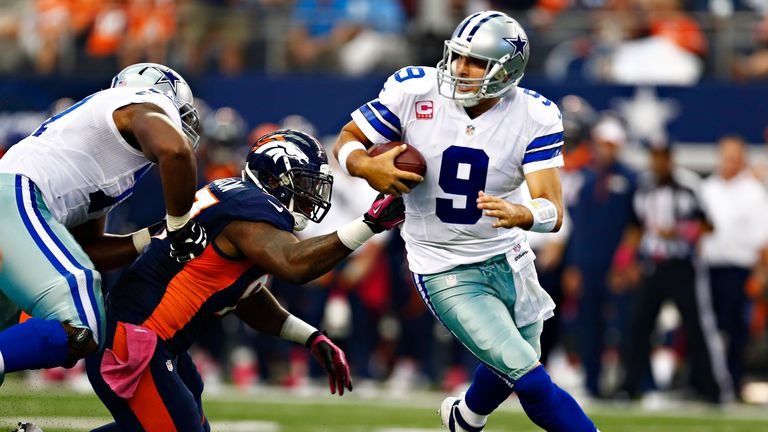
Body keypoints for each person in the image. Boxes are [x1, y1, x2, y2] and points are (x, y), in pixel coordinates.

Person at [333, 10, 597, 432]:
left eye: (475, 62)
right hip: (444, 265)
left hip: (508, 257)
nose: (459, 68)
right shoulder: (415, 91)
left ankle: (466, 418)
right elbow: (348, 139)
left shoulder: (535, 115)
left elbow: (553, 212)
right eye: (456, 56)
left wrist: (524, 213)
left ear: (506, 71)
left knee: (512, 361)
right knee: (529, 379)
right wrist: (365, 166)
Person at [84, 129, 405, 431]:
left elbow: (247, 299)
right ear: (271, 180)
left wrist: (311, 337)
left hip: (152, 342)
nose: (311, 194)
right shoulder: (247, 212)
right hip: (135, 341)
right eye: (303, 183)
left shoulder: (237, 201)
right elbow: (294, 265)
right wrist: (370, 224)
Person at [0, 63, 208, 387]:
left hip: (14, 205)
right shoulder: (145, 101)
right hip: (16, 198)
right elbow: (176, 151)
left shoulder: (100, 151)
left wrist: (153, 237)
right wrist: (180, 224)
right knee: (81, 325)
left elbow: (85, 250)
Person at [616, 142, 732, 403]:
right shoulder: (643, 187)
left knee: (696, 327)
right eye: (654, 158)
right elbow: (635, 228)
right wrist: (624, 262)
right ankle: (629, 387)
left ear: (670, 159)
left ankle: (713, 390)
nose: (658, 163)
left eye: (662, 157)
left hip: (682, 265)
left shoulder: (689, 185)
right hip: (653, 265)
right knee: (638, 325)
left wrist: (680, 231)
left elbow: (708, 226)